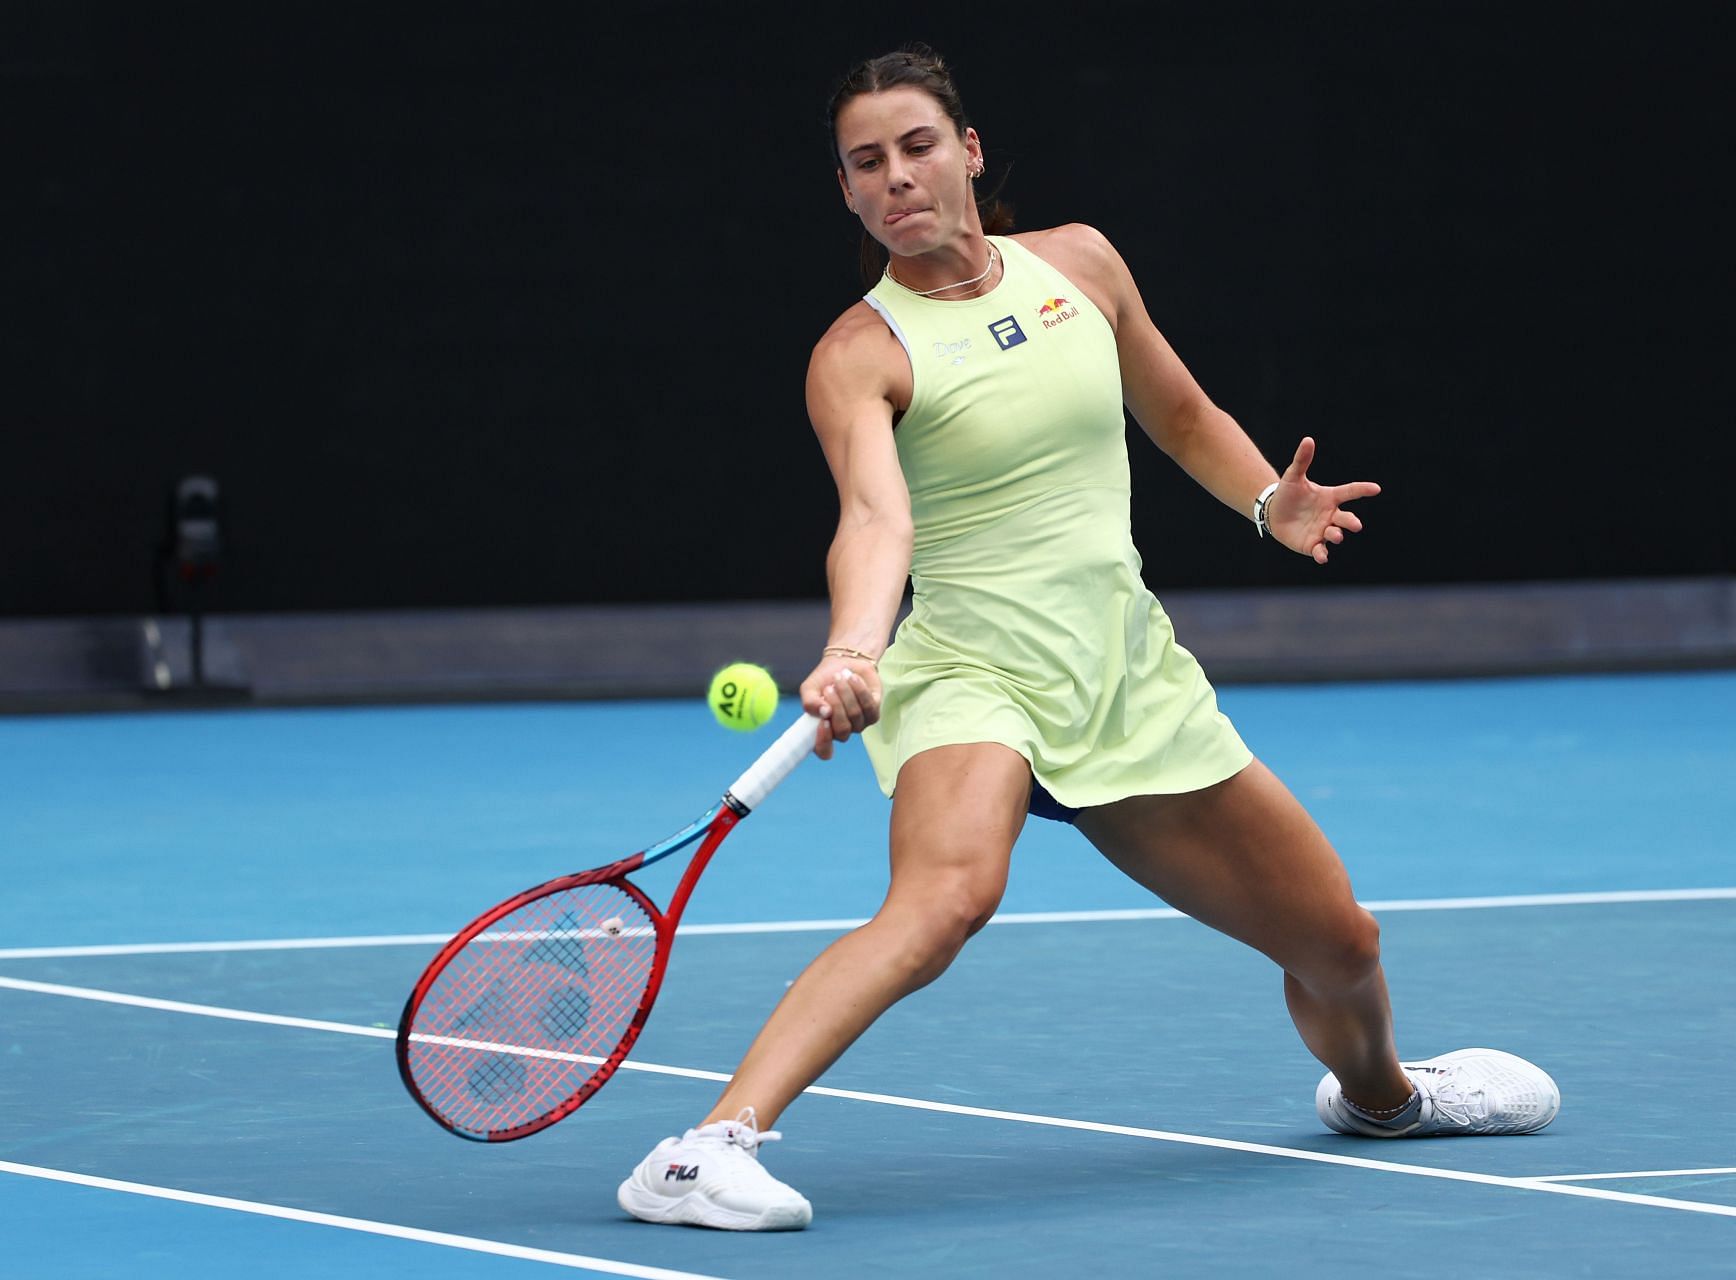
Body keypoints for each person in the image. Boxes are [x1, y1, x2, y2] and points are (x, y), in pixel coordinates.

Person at [617, 45, 1558, 1232]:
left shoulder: (1079, 263)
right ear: (850, 194)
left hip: (1121, 669)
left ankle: (1382, 1099)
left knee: (1340, 942)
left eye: (916, 146)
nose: (897, 176)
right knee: (947, 896)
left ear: (966, 152)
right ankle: (705, 1148)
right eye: (867, 163)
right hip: (973, 670)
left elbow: (1178, 410)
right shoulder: (861, 352)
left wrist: (1271, 501)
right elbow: (873, 515)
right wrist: (857, 647)